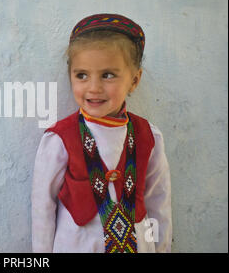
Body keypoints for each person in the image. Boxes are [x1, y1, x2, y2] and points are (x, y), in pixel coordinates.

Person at [31, 14, 172, 253]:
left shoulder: (149, 137)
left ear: (135, 80)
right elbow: (42, 207)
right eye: (81, 75)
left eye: (108, 75)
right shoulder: (60, 139)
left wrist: (161, 248)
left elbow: (159, 202)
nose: (93, 88)